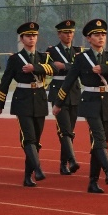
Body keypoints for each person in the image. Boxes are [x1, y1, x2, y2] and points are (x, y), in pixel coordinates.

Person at [52, 18, 108, 193]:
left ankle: (93, 181)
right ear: (89, 38)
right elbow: (69, 81)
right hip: (90, 102)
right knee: (99, 139)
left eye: (103, 34)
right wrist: (58, 103)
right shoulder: (82, 58)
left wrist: (105, 69)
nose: (101, 37)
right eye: (96, 35)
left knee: (99, 143)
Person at [0, 21, 53, 187]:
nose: (31, 38)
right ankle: (38, 169)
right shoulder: (15, 59)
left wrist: (35, 68)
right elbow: (5, 81)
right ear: (22, 38)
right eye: (28, 36)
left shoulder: (44, 57)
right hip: (23, 101)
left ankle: (28, 176)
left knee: (36, 141)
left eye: (34, 35)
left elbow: (55, 70)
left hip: (39, 100)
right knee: (29, 138)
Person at [46, 19, 83, 175]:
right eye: (66, 32)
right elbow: (51, 68)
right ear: (59, 34)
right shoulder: (52, 51)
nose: (69, 35)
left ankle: (64, 163)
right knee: (65, 129)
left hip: (74, 92)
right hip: (58, 90)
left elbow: (81, 68)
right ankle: (70, 161)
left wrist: (65, 66)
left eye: (71, 32)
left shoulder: (78, 51)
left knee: (70, 130)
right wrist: (68, 67)